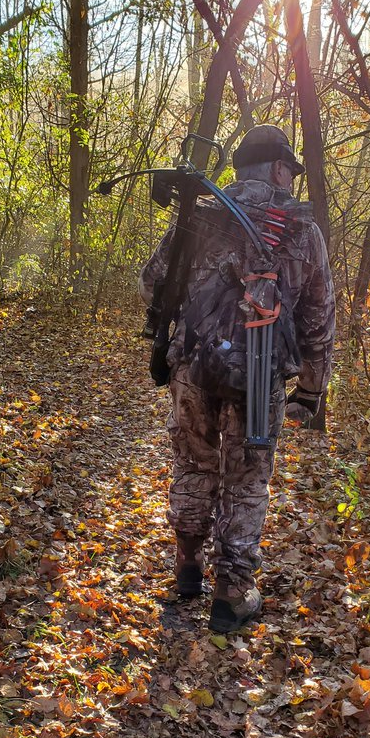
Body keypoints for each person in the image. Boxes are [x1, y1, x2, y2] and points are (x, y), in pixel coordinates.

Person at [139, 125, 335, 633]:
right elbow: (319, 318)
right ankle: (231, 593)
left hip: (193, 371)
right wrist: (311, 388)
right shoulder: (304, 231)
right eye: (289, 171)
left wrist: (186, 327)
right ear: (275, 169)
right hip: (261, 374)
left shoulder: (200, 217)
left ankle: (187, 567)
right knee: (247, 482)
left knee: (193, 466)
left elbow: (151, 281)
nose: (291, 181)